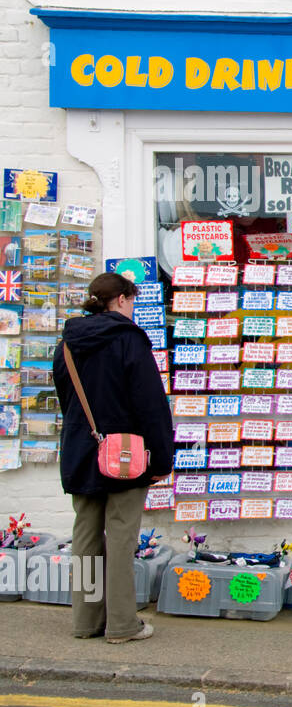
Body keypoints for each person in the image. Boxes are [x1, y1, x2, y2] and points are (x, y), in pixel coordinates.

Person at [53, 273, 174, 643]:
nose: (133, 307)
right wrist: (161, 462)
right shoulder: (129, 340)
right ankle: (122, 624)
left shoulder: (68, 344)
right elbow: (151, 406)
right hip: (125, 453)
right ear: (121, 299)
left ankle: (86, 621)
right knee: (122, 537)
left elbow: (65, 398)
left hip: (81, 451)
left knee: (86, 538)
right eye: (132, 300)